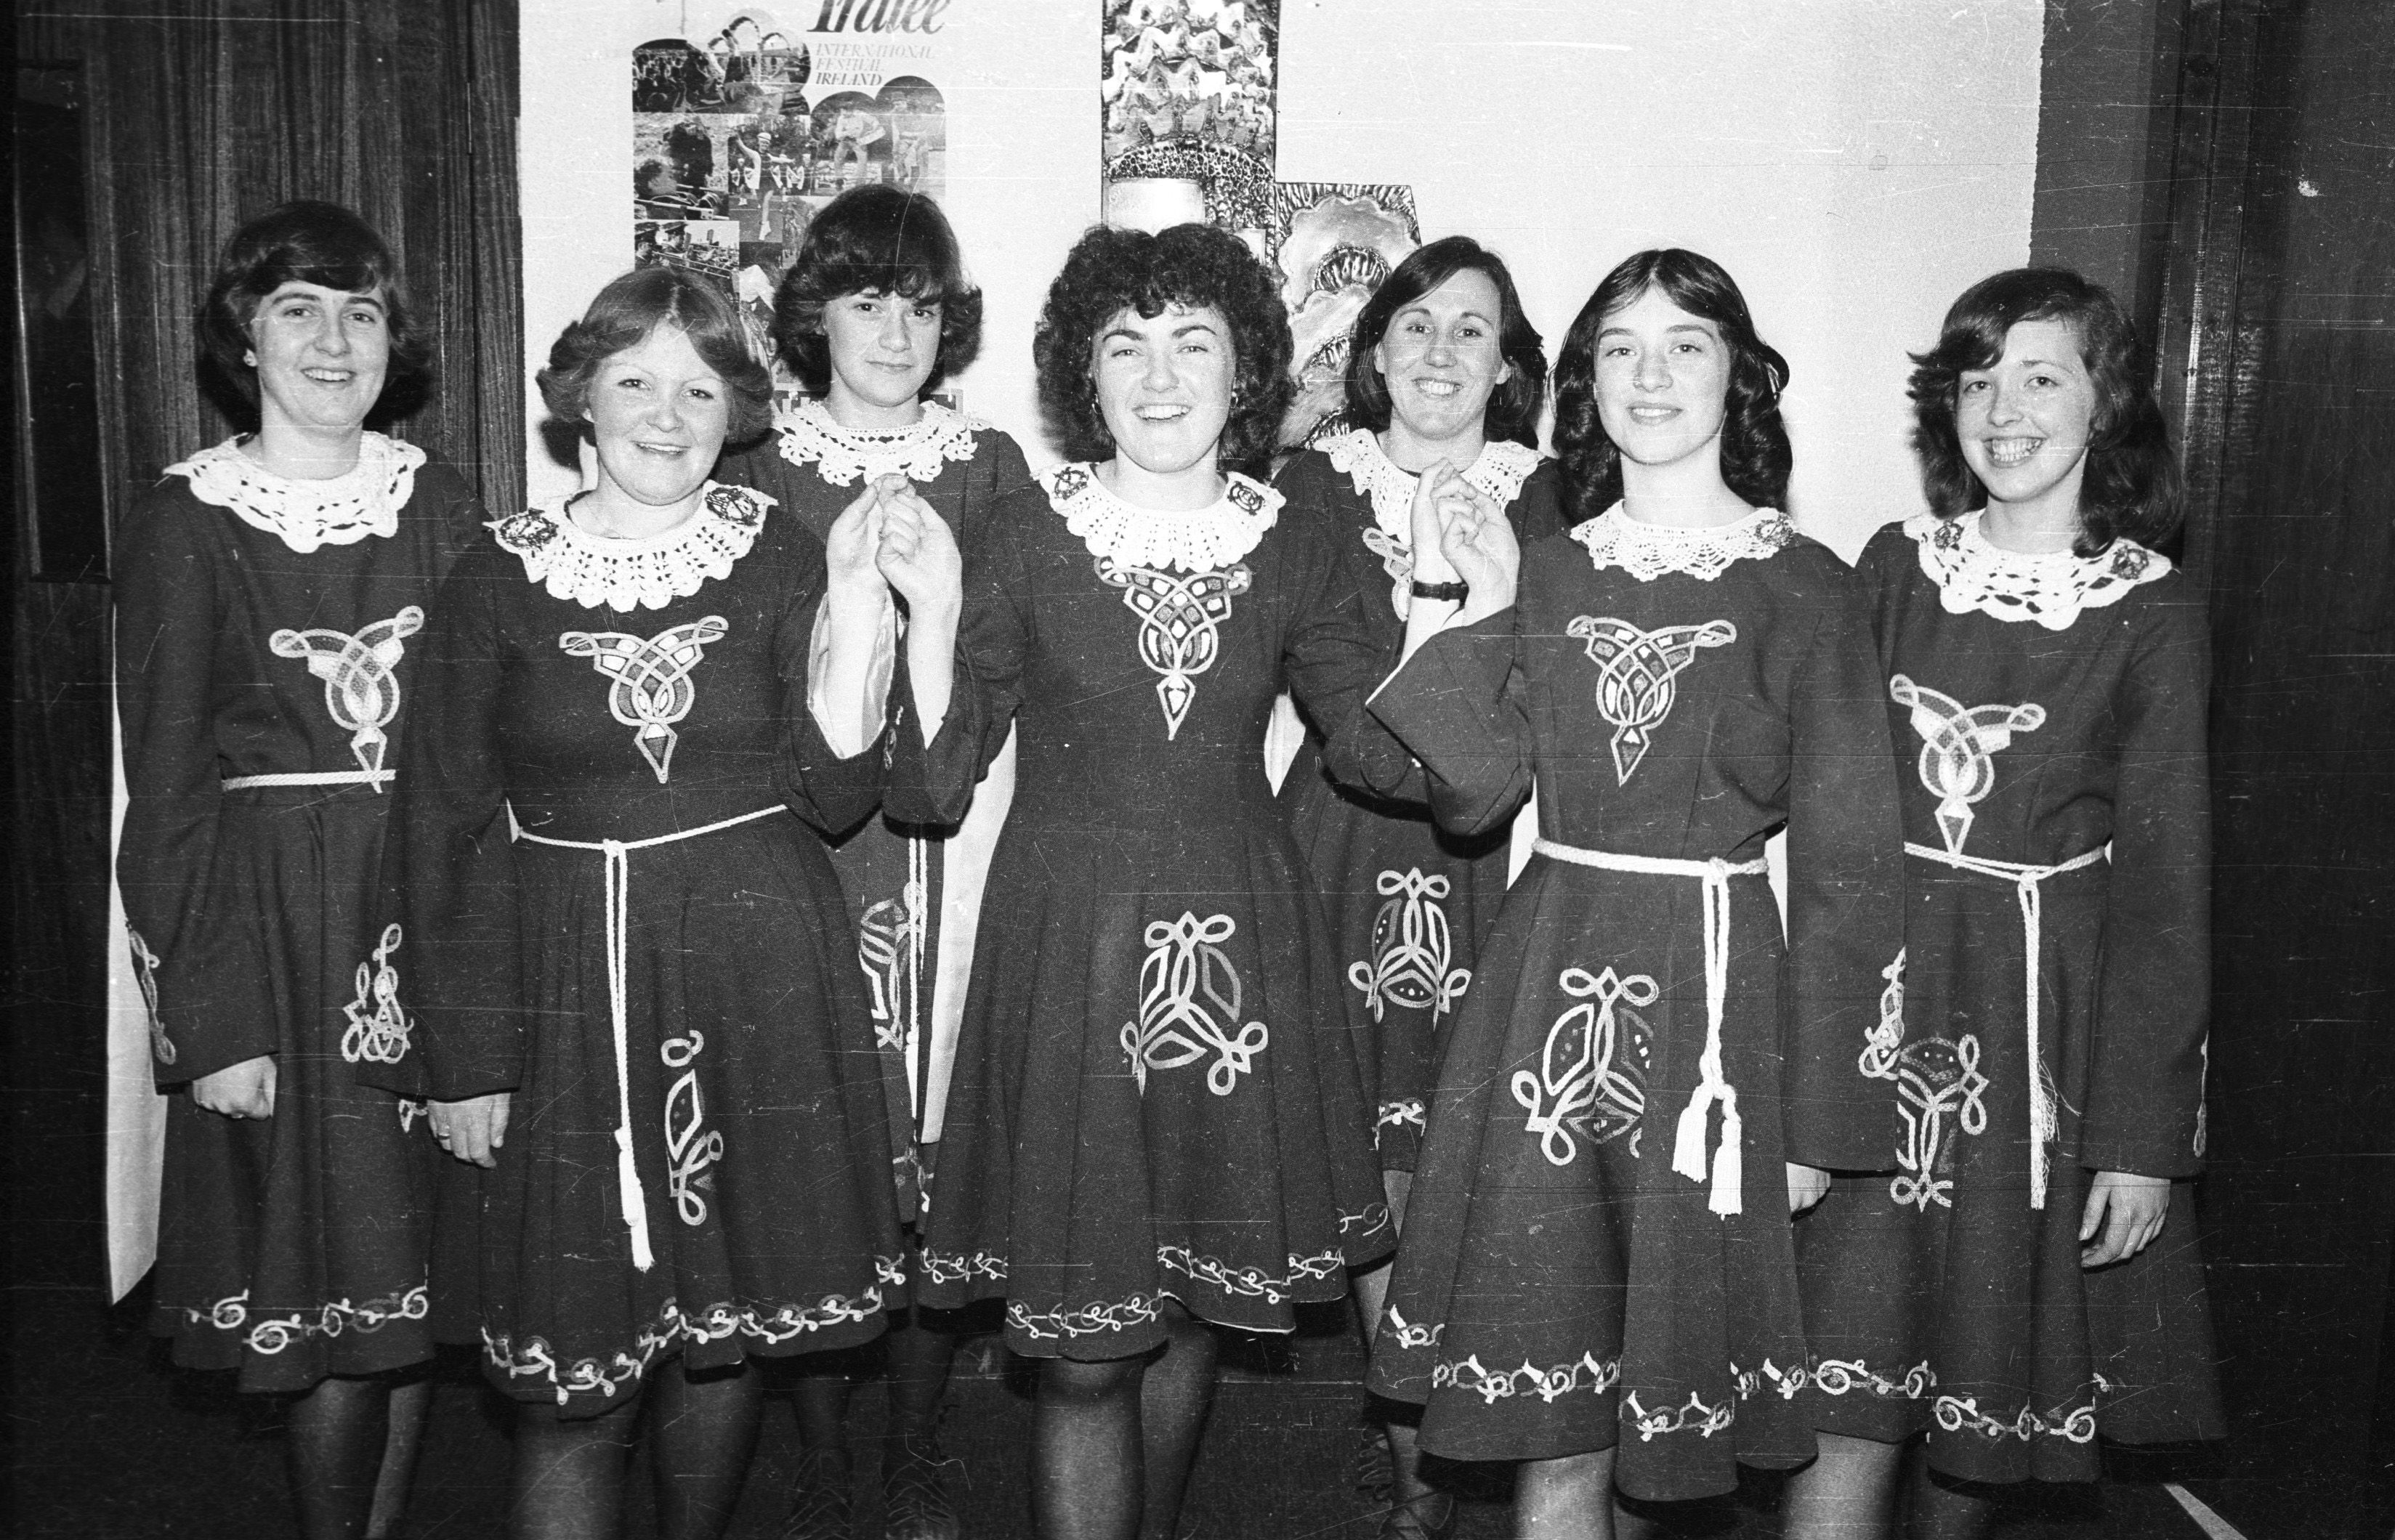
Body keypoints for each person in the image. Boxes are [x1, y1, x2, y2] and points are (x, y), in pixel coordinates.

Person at [1357, 248, 1907, 1538]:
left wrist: (1816, 1124)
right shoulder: (1547, 568)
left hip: (1720, 1014)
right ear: (1584, 382)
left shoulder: (1806, 586)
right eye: (1618, 347)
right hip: (1548, 983)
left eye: (1685, 345)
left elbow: (1850, 875)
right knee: (1554, 1415)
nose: (1648, 376)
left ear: (1741, 378)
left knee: (1670, 1432)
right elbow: (1466, 799)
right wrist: (1459, 600)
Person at [365, 266, 917, 1540]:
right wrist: (465, 1057)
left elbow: (836, 794)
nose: (665, 416)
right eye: (634, 383)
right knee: (575, 1385)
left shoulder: (782, 550)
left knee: (715, 1343)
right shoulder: (497, 571)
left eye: (699, 388)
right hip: (566, 984)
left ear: (735, 411)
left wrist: (850, 603)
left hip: (755, 972)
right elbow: (441, 821)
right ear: (580, 402)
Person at [871, 222, 1402, 1540]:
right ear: (1085, 379)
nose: (1158, 377)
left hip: (1244, 959)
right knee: (1088, 1346)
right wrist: (932, 619)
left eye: (1193, 343)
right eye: (1125, 347)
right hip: (1070, 949)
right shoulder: (1023, 531)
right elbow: (932, 788)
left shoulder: (1301, 541)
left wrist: (1459, 606)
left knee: (1193, 1306)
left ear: (1246, 372)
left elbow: (1395, 756)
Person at [1783, 269, 2224, 1540]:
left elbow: (2166, 890)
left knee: (1976, 1413)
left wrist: (2142, 1140)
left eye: (2042, 377)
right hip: (1884, 1015)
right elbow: (1822, 802)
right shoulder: (1893, 567)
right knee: (1845, 1382)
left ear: (2106, 407)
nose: (2005, 410)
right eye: (1979, 380)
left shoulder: (2150, 601)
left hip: (2044, 1040)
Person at [115, 200, 481, 1539]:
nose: (335, 342)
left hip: (427, 910)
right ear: (245, 342)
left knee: (407, 1294)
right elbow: (163, 796)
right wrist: (207, 1019)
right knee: (327, 1296)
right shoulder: (187, 522)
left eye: (362, 313)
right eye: (299, 311)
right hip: (274, 940)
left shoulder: (443, 502)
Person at [719, 182, 1031, 1540]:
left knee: (935, 1142)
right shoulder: (757, 472)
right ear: (815, 317)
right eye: (864, 299)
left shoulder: (996, 468)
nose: (895, 328)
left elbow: (1011, 660)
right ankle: (818, 1444)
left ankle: (916, 1440)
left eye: (917, 301)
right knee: (809, 1136)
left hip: (959, 837)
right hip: (803, 850)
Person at [1270, 233, 1561, 1538]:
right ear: (1374, 351)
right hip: (1340, 850)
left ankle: (1450, 1443)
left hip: (1502, 854)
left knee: (1465, 1160)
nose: (1442, 352)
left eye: (1474, 331)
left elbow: (1544, 704)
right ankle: (1410, 1476)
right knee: (1366, 1177)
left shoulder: (1553, 499)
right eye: (1417, 326)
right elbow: (1358, 725)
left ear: (1508, 369)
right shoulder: (1312, 493)